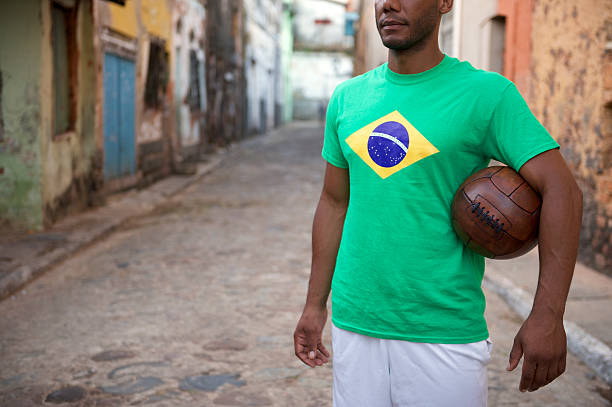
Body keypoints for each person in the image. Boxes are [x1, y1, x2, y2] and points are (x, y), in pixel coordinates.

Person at [293, 0, 583, 406]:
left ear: (446, 2)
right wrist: (314, 305)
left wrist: (549, 314)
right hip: (355, 325)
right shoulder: (347, 98)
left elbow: (563, 190)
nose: (388, 5)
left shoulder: (487, 95)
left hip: (443, 333)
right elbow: (333, 202)